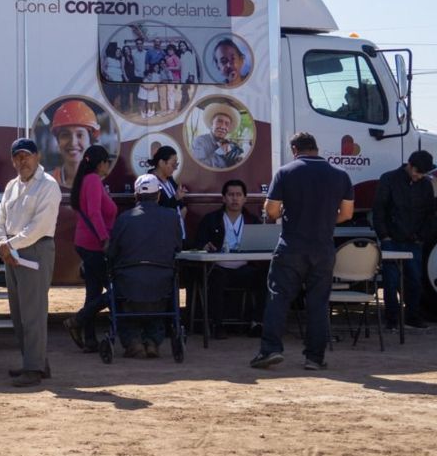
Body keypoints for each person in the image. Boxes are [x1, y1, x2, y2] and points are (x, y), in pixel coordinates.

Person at [251, 132, 354, 371]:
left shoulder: (286, 173)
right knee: (318, 303)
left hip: (291, 246)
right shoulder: (340, 176)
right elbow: (347, 214)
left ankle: (271, 350)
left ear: (295, 149)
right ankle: (314, 358)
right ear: (316, 148)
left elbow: (273, 212)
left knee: (279, 297)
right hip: (323, 248)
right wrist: (325, 221)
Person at [0, 138, 60, 387]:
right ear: (13, 161)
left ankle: (33, 368)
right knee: (19, 312)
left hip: (35, 249)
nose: (23, 161)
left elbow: (39, 226)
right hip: (12, 250)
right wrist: (2, 243)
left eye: (27, 156)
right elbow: (1, 219)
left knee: (33, 312)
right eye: (18, 157)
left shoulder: (48, 185)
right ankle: (36, 362)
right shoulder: (12, 185)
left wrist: (9, 245)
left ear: (37, 157)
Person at [107, 174, 184, 358]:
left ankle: (133, 341)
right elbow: (178, 247)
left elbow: (112, 252)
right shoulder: (172, 217)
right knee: (159, 297)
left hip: (129, 283)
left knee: (125, 298)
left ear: (136, 195)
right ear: (158, 195)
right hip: (162, 282)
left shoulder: (124, 219)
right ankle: (152, 342)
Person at [371, 150, 437, 331]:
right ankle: (392, 317)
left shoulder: (423, 184)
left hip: (411, 239)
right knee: (391, 281)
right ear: (410, 165)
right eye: (418, 172)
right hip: (393, 238)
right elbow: (379, 210)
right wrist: (384, 235)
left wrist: (420, 236)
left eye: (422, 173)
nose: (419, 176)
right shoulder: (389, 179)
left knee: (414, 279)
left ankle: (411, 316)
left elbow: (429, 213)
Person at [191, 179, 266, 339]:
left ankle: (257, 323)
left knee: (265, 277)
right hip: (218, 268)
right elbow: (198, 243)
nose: (235, 199)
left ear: (245, 198)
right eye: (231, 195)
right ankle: (217, 325)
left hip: (244, 269)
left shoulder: (252, 221)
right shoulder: (211, 219)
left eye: (239, 195)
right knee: (215, 278)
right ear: (223, 198)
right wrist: (205, 246)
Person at [64, 145, 116, 353]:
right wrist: (105, 238)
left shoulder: (85, 180)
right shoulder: (93, 180)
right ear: (100, 163)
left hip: (86, 242)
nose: (108, 166)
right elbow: (94, 213)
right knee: (115, 289)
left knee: (94, 291)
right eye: (106, 162)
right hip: (94, 245)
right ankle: (77, 320)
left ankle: (90, 339)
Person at [48, 100, 100, 189]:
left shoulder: (101, 178)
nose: (73, 142)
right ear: (58, 141)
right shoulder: (48, 180)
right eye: (65, 135)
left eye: (80, 135)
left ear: (91, 141)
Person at [191, 103, 246, 170]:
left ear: (228, 129)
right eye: (219, 121)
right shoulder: (200, 141)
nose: (223, 127)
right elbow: (198, 167)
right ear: (212, 124)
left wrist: (237, 160)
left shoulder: (230, 143)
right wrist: (221, 152)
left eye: (227, 124)